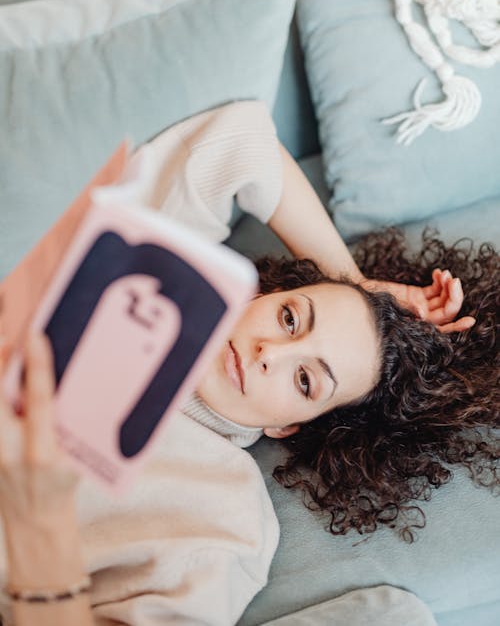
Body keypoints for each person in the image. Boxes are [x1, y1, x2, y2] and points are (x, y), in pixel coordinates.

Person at [0, 101, 497, 626]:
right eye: (289, 318)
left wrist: (42, 534)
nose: (269, 354)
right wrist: (352, 282)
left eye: (305, 379)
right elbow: (243, 142)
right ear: (260, 295)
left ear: (287, 424)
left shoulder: (226, 519)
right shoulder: (152, 274)